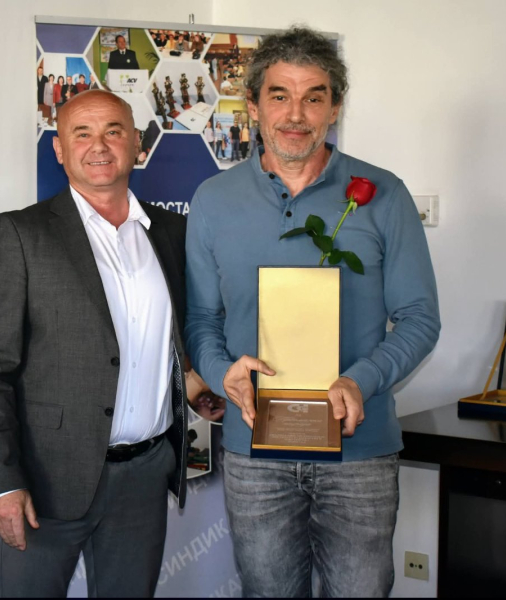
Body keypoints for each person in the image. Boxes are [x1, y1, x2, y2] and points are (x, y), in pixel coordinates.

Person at [185, 26, 440, 598]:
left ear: (335, 108)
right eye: (279, 95)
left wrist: (360, 380)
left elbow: (420, 318)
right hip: (255, 452)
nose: (295, 114)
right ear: (253, 107)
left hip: (359, 450)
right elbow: (201, 319)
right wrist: (222, 374)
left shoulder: (384, 195)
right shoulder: (213, 201)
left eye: (313, 97)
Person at [0, 90, 189, 597]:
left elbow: (173, 339)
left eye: (113, 131)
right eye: (81, 133)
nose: (99, 145)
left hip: (145, 476)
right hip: (47, 481)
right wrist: (2, 483)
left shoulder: (172, 231)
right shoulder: (20, 234)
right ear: (60, 150)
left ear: (137, 143)